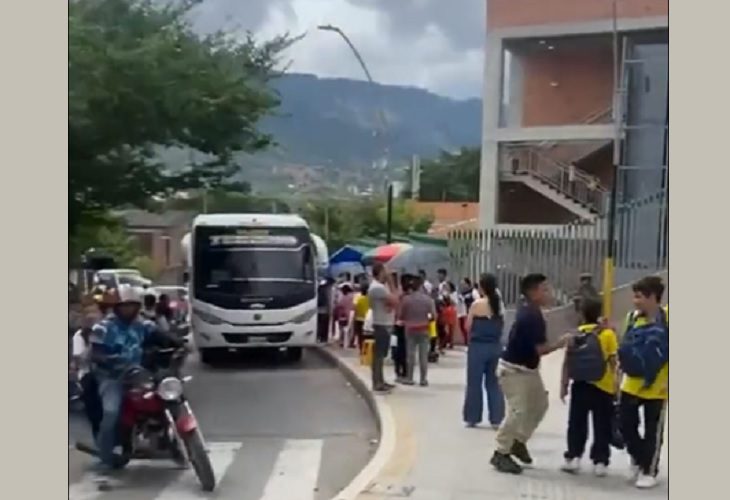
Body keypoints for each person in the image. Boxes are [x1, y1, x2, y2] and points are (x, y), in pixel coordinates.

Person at [89, 285, 184, 483]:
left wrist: (179, 344)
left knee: (169, 396)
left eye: (133, 305)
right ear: (116, 307)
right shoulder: (103, 328)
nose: (129, 309)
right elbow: (95, 354)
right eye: (125, 305)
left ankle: (175, 442)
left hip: (140, 374)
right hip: (112, 377)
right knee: (111, 412)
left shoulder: (143, 324)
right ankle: (105, 458)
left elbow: (161, 335)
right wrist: (108, 359)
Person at [491, 273, 573, 475]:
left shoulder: (534, 312)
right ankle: (501, 452)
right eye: (544, 289)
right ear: (533, 292)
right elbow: (540, 349)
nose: (549, 292)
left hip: (528, 370)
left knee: (539, 405)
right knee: (518, 410)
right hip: (513, 371)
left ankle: (518, 441)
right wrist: (562, 342)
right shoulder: (530, 316)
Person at [618, 276, 668, 489]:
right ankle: (639, 457)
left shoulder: (668, 318)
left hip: (658, 386)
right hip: (630, 383)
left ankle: (649, 470)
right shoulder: (631, 318)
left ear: (652, 298)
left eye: (639, 297)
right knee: (625, 425)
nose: (635, 301)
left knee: (652, 431)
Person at [559, 297, 619, 477]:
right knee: (602, 424)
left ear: (581, 314)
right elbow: (613, 362)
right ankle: (600, 461)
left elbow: (567, 362)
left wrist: (564, 385)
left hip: (581, 384)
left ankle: (574, 456)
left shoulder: (575, 334)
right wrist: (616, 383)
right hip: (603, 385)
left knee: (577, 422)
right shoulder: (608, 335)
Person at [463, 273, 505, 429]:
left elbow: (468, 326)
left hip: (478, 347)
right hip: (495, 346)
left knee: (474, 383)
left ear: (481, 287)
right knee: (494, 383)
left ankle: (473, 417)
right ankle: (496, 418)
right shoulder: (499, 305)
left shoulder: (476, 304)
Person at [398, 275, 437, 386]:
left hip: (410, 329)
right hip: (424, 329)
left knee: (410, 354)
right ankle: (423, 379)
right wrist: (427, 319)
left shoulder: (406, 300)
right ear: (421, 287)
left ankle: (410, 378)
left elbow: (401, 315)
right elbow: (433, 316)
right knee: (423, 355)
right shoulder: (428, 300)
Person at [367, 262, 399, 393]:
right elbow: (395, 299)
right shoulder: (377, 288)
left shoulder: (380, 287)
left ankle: (380, 380)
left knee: (381, 354)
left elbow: (391, 302)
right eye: (385, 271)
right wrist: (391, 282)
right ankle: (377, 382)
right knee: (379, 355)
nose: (387, 274)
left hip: (384, 322)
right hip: (381, 324)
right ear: (380, 272)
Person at [352, 282, 370, 350]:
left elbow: (355, 310)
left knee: (360, 337)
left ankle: (361, 350)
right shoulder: (369, 299)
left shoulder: (358, 299)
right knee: (366, 337)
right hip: (367, 320)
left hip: (359, 320)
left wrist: (354, 319)